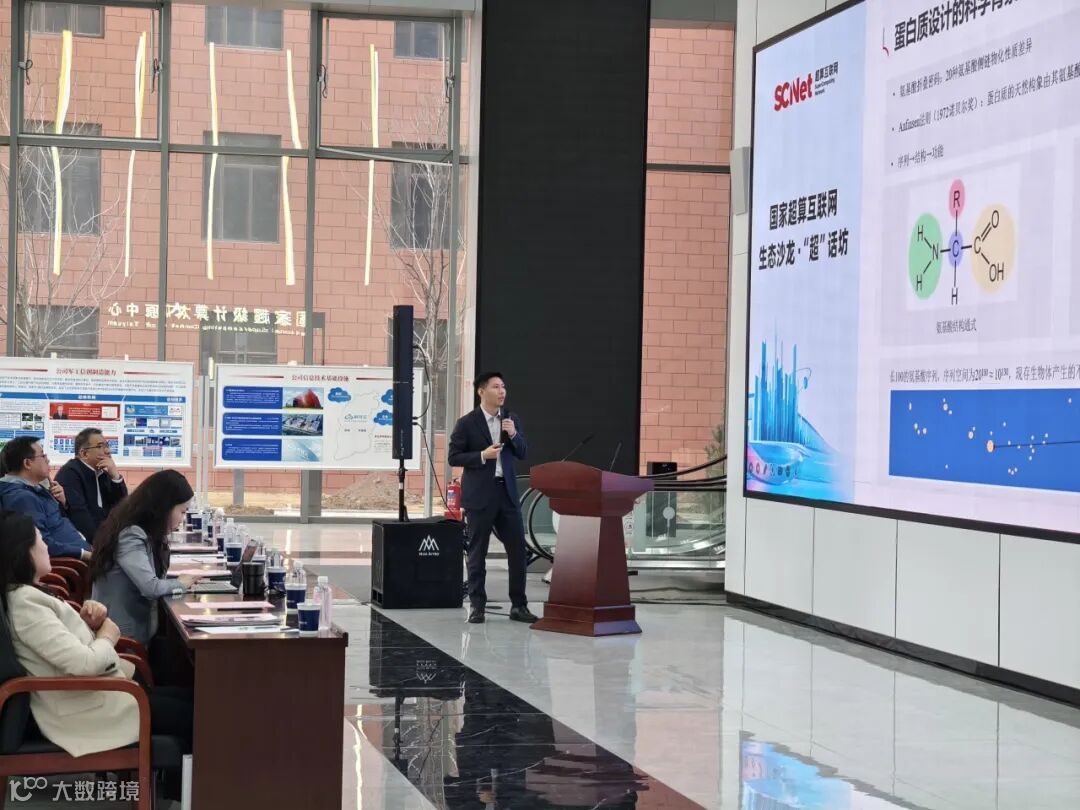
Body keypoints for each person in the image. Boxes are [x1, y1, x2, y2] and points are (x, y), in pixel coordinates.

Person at [0, 510, 192, 765]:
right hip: (83, 711)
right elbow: (84, 663)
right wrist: (107, 636)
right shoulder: (26, 603)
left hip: (96, 695)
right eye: (40, 539)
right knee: (195, 715)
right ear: (23, 552)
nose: (46, 545)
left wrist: (89, 625)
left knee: (193, 700)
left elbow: (62, 647)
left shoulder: (29, 593)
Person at [447, 372, 538, 625]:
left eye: (503, 387)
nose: (502, 391)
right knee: (477, 552)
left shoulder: (511, 419)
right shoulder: (466, 423)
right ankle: (477, 606)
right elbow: (454, 457)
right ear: (481, 391)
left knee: (518, 551)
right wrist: (481, 456)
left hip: (506, 494)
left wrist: (514, 435)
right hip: (480, 496)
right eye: (496, 387)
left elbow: (523, 452)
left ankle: (519, 605)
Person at [90, 470, 201, 648]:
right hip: (121, 638)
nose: (183, 519)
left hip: (136, 631)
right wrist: (180, 583)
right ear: (164, 508)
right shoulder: (131, 535)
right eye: (182, 512)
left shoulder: (145, 531)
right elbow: (150, 587)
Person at [0, 437, 91, 560]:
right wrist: (85, 554)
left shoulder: (34, 489)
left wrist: (62, 501)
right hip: (73, 563)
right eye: (43, 456)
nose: (48, 460)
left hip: (82, 553)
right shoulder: (22, 498)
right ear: (27, 463)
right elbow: (42, 544)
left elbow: (56, 522)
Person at [55, 428, 128, 546]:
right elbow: (80, 518)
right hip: (87, 545)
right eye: (100, 446)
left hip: (109, 541)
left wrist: (115, 476)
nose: (108, 451)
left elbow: (122, 509)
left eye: (107, 446)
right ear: (84, 454)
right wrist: (104, 546)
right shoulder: (70, 473)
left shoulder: (103, 472)